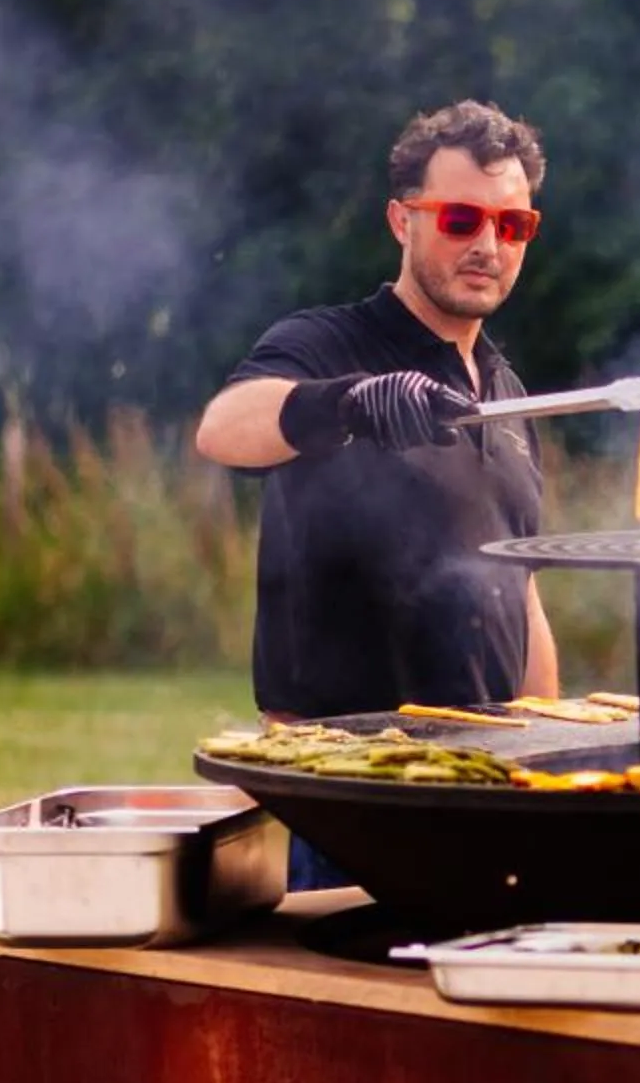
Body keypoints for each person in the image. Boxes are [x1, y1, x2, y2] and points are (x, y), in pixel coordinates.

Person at [195, 98, 564, 889]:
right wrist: (350, 402)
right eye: (462, 219)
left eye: (513, 226)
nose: (488, 245)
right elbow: (225, 428)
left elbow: (522, 598)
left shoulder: (506, 393)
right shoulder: (327, 343)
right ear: (403, 220)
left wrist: (549, 763)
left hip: (484, 790)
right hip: (345, 797)